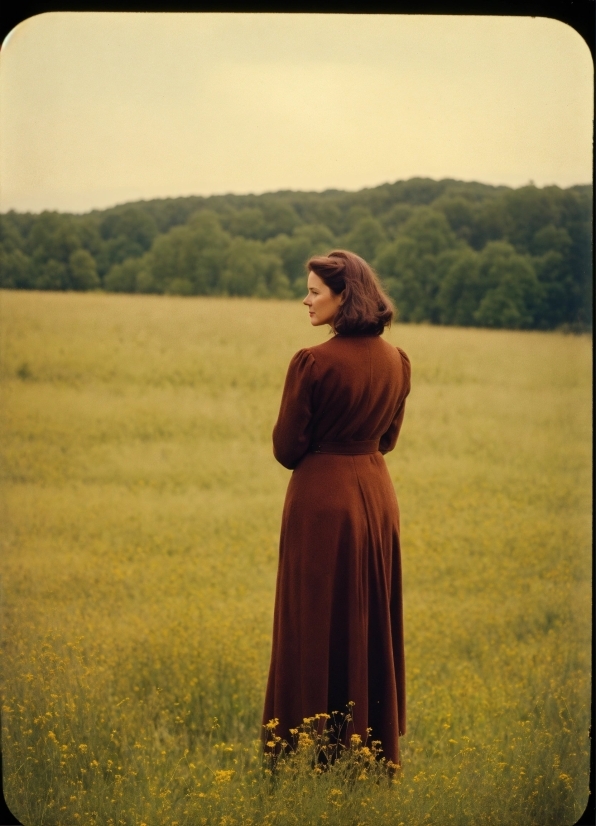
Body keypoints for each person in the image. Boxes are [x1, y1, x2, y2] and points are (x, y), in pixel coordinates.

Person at [262, 249, 411, 767]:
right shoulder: (398, 361)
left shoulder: (314, 361)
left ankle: (300, 752)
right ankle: (364, 751)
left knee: (312, 621)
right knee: (366, 617)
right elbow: (387, 439)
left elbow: (285, 449)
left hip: (322, 503)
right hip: (376, 494)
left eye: (314, 291)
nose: (305, 299)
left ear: (344, 297)